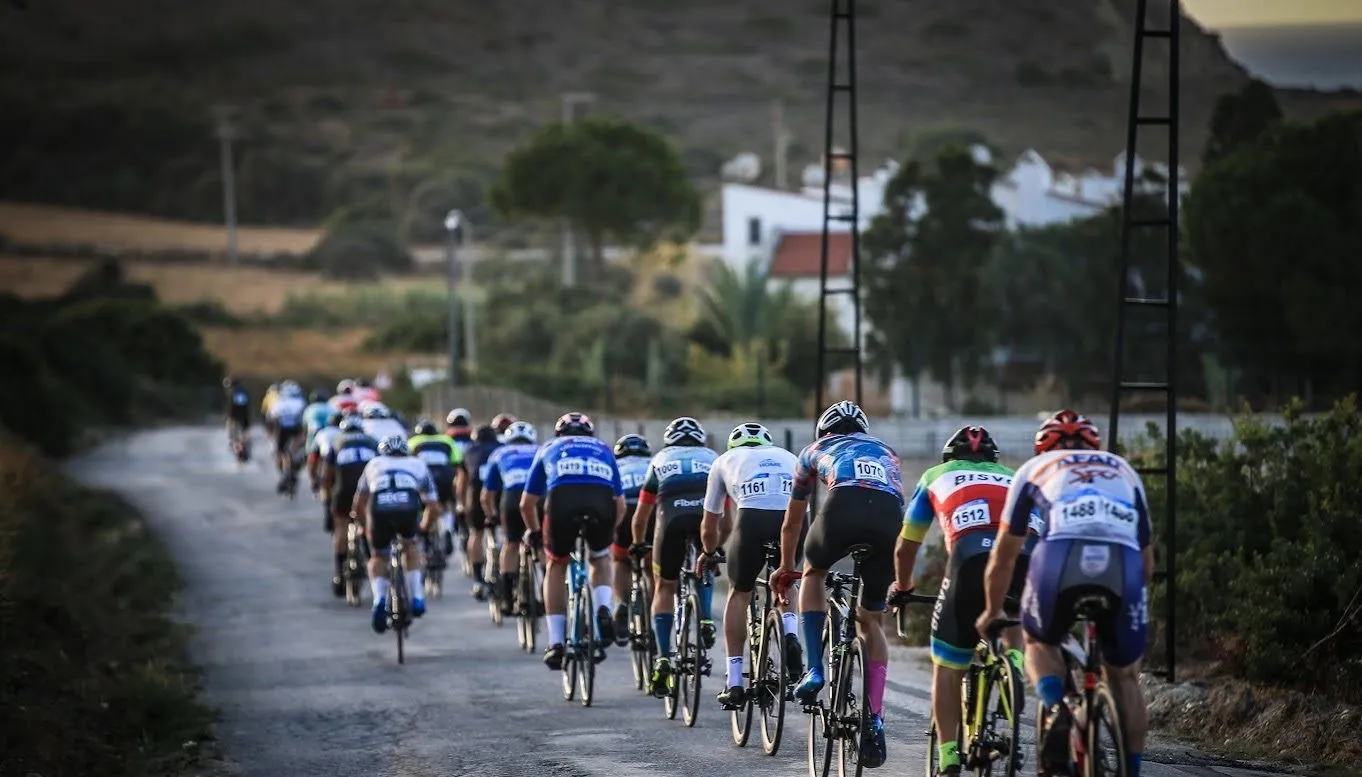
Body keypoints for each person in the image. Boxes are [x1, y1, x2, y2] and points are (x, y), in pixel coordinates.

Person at [975, 410, 1152, 777]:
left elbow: (1004, 556)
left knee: (1037, 640)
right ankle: (1131, 769)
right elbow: (1147, 560)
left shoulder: (1033, 470)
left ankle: (1056, 710)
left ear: (1043, 448)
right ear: (1095, 445)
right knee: (1124, 677)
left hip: (1061, 558)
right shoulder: (1123, 470)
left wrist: (991, 611)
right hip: (1123, 565)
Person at [891, 425, 1039, 777]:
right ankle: (1014, 664)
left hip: (970, 558)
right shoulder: (1013, 476)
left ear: (950, 458)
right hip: (1028, 555)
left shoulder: (934, 476)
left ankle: (948, 755)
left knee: (947, 666)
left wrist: (904, 586)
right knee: (1011, 609)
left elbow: (907, 545)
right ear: (993, 459)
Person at [772, 400, 903, 769]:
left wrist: (786, 567)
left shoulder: (812, 451)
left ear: (823, 432)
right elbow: (899, 504)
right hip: (889, 521)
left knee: (813, 573)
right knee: (870, 621)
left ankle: (815, 669)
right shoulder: (887, 453)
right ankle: (874, 718)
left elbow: (792, 523)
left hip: (841, 509)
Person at [700, 422, 804, 709]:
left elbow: (710, 524)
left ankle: (734, 682)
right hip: (794, 519)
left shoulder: (723, 461)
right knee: (787, 579)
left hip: (752, 518)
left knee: (739, 591)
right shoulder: (789, 456)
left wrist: (709, 552)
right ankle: (791, 633)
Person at [519, 412, 624, 670]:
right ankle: (602, 610)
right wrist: (609, 533)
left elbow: (526, 504)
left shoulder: (548, 447)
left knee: (556, 565)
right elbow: (619, 505)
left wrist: (534, 531)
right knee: (600, 559)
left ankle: (556, 643)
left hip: (562, 502)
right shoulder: (603, 448)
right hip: (601, 503)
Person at [630, 416, 719, 697]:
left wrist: (637, 544)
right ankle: (705, 619)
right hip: (704, 518)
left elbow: (641, 515)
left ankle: (663, 657)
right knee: (707, 560)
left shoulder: (660, 459)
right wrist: (716, 547)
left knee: (665, 586)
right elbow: (725, 514)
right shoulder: (713, 458)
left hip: (670, 521)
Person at [352, 435, 440, 633]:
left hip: (379, 510)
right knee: (411, 547)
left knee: (378, 555)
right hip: (407, 509)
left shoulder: (373, 464)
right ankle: (417, 597)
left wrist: (365, 527)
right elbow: (433, 506)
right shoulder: (418, 464)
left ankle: (379, 601)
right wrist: (423, 529)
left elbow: (359, 503)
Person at [481, 421, 539, 615]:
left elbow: (486, 495)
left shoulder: (499, 454)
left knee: (511, 544)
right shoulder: (540, 450)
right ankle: (545, 586)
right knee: (543, 544)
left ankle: (506, 595)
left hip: (512, 499)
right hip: (537, 499)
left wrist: (491, 516)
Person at [321, 415, 378, 596]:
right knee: (369, 522)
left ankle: (339, 573)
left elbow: (326, 476)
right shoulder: (372, 442)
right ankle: (372, 558)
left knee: (341, 528)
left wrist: (328, 500)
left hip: (343, 490)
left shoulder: (337, 442)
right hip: (366, 490)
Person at [607, 433, 653, 643]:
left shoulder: (614, 466)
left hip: (625, 510)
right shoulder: (652, 463)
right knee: (652, 567)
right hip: (651, 510)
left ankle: (623, 605)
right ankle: (653, 615)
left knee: (620, 559)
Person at [458, 424, 502, 600]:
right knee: (508, 534)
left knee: (476, 533)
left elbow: (461, 482)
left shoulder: (469, 450)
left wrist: (460, 504)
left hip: (476, 492)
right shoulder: (501, 448)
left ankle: (477, 578)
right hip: (498, 492)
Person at [408, 418, 461, 556]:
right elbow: (456, 462)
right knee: (447, 503)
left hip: (423, 479)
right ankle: (447, 528)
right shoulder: (447, 440)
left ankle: (423, 533)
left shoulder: (413, 442)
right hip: (444, 477)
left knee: (422, 505)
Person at [267, 381, 308, 492]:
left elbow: (271, 419)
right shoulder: (301, 402)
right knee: (295, 450)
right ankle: (294, 463)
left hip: (282, 430)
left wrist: (271, 435)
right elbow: (305, 420)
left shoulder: (277, 403)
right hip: (296, 429)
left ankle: (285, 473)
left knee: (281, 453)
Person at [223, 377, 251, 443]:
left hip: (235, 411)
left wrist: (228, 415)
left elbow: (230, 406)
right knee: (245, 428)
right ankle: (245, 439)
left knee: (231, 424)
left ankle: (233, 438)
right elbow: (248, 404)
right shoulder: (244, 391)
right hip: (244, 412)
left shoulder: (233, 392)